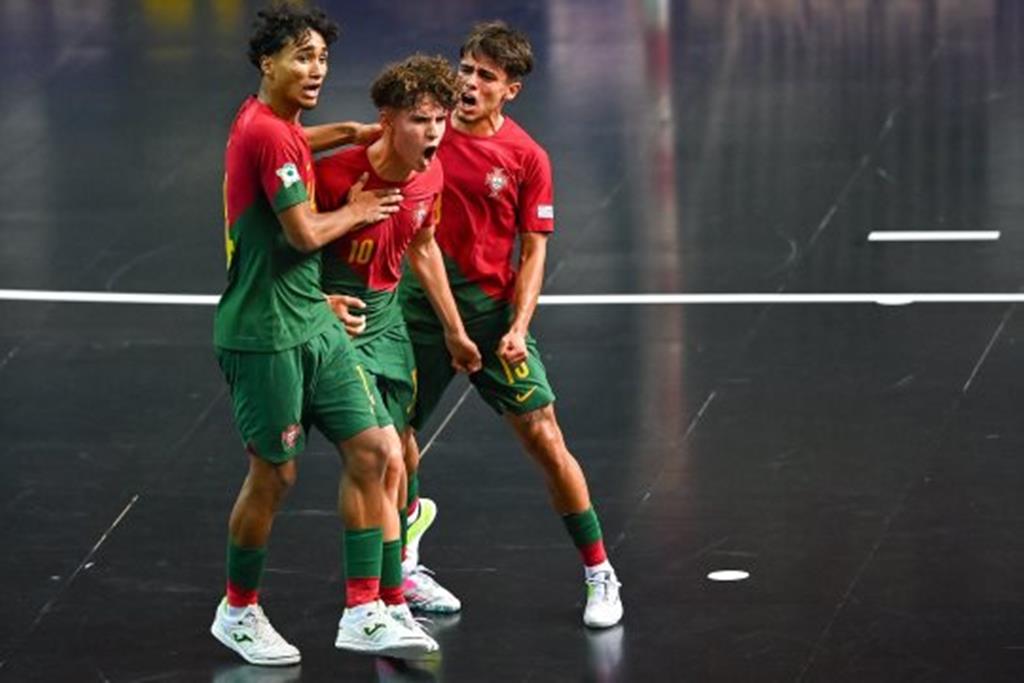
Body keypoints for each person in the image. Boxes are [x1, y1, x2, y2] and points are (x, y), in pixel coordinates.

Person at [209, 3, 437, 666]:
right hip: (265, 332)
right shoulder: (269, 134)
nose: (316, 70)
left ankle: (366, 609)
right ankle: (238, 610)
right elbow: (305, 231)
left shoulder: (270, 124)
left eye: (323, 59)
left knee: (374, 449)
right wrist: (359, 209)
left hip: (311, 315)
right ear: (267, 61)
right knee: (274, 475)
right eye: (302, 57)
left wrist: (349, 129)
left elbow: (293, 146)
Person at [398, 21, 624, 628]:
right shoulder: (424, 129)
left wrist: (518, 327)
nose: (468, 84)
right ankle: (404, 560)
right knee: (391, 438)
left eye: (485, 77)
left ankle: (599, 570)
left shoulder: (526, 158)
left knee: (545, 438)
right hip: (421, 311)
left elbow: (534, 251)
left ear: (511, 90)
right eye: (466, 69)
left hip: (493, 315)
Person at [316, 54, 481, 617]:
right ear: (386, 120)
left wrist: (455, 330)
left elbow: (423, 246)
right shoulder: (336, 176)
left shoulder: (431, 174)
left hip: (389, 324)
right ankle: (381, 598)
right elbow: (287, 250)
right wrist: (318, 304)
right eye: (420, 121)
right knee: (382, 455)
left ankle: (403, 569)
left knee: (405, 453)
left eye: (440, 120)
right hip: (339, 325)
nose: (434, 133)